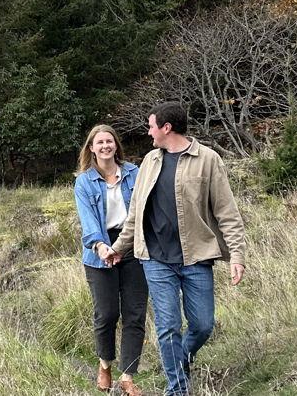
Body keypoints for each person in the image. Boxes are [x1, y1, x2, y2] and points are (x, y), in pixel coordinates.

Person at [106, 101, 247, 396]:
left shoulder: (208, 159)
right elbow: (135, 213)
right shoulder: (150, 161)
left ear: (166, 128)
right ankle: (177, 389)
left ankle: (180, 359)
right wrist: (119, 247)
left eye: (151, 126)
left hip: (197, 256)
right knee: (168, 326)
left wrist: (237, 255)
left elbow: (227, 212)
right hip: (155, 259)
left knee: (203, 325)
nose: (149, 132)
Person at [72, 124, 146, 395]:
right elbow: (88, 220)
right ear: (91, 148)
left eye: (109, 141)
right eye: (100, 142)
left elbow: (144, 208)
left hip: (133, 247)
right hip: (99, 249)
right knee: (107, 314)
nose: (105, 146)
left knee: (135, 313)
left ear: (116, 145)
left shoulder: (134, 173)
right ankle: (105, 364)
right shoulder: (84, 182)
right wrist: (101, 246)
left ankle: (128, 376)